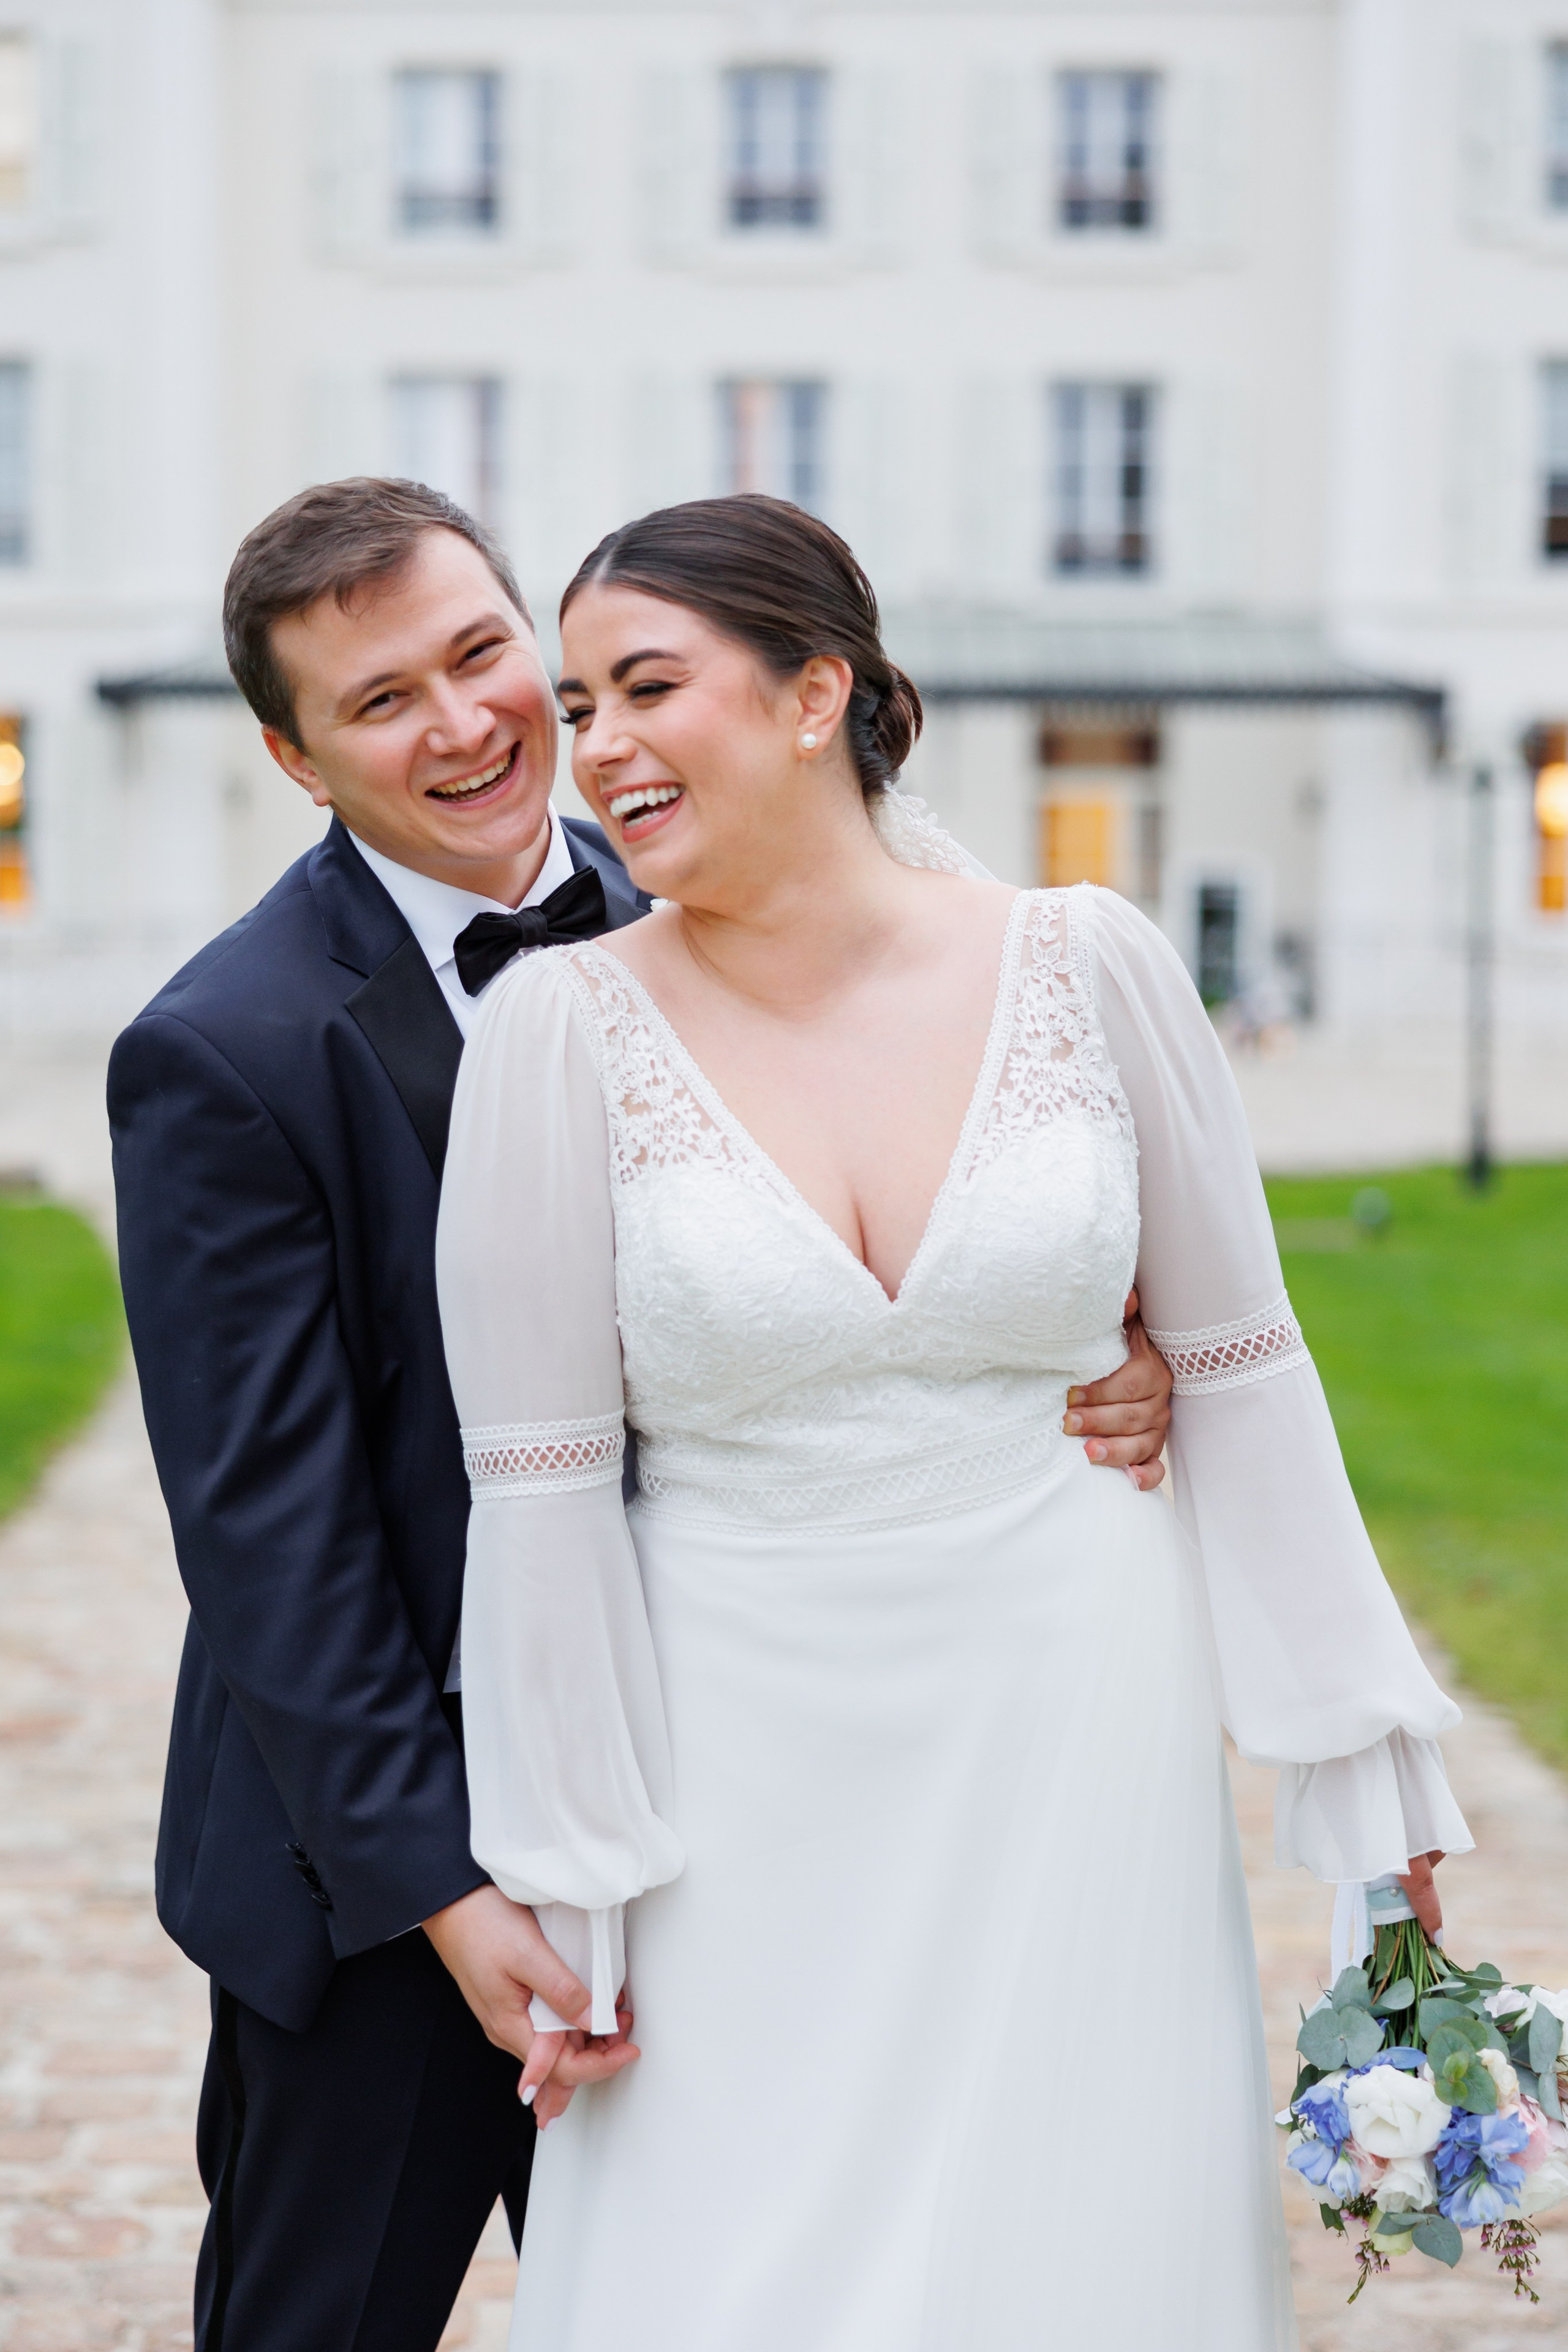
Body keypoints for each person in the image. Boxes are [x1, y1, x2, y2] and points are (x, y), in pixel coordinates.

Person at [107, 476, 1177, 2352]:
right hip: (394, 1872)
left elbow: (921, 1209)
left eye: (479, 653)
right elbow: (272, 1543)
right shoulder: (226, 1051)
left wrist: (1104, 1342)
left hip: (722, 1809)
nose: (463, 723)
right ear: (294, 758)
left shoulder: (713, 900)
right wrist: (448, 1893)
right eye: (379, 702)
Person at [434, 494, 1473, 2351]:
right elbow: (541, 1493)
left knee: (1075, 2217)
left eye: (644, 687)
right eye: (579, 703)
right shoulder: (555, 1034)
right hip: (729, 1737)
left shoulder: (1094, 965)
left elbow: (1243, 1363)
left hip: (1073, 1694)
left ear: (818, 691)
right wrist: (571, 1866)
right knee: (728, 2243)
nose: (593, 747)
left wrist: (1358, 1765)